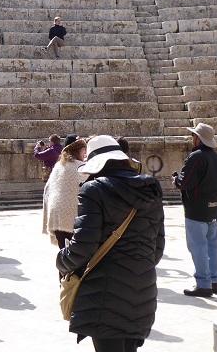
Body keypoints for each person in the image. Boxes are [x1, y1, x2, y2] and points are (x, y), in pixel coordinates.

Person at [57, 135, 164, 352]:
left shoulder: (94, 190)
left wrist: (61, 260)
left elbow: (82, 247)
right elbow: (157, 249)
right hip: (143, 291)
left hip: (105, 294)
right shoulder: (150, 190)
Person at [172, 123, 217, 297]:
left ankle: (203, 283)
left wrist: (176, 180)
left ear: (198, 139)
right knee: (212, 245)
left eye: (193, 136)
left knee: (198, 246)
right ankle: (215, 280)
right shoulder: (216, 158)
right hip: (213, 207)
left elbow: (184, 183)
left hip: (197, 208)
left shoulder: (196, 157)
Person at [43, 137, 87, 248]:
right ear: (78, 150)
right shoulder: (81, 167)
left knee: (63, 252)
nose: (85, 153)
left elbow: (47, 189)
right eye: (83, 150)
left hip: (56, 217)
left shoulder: (58, 166)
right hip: (72, 219)